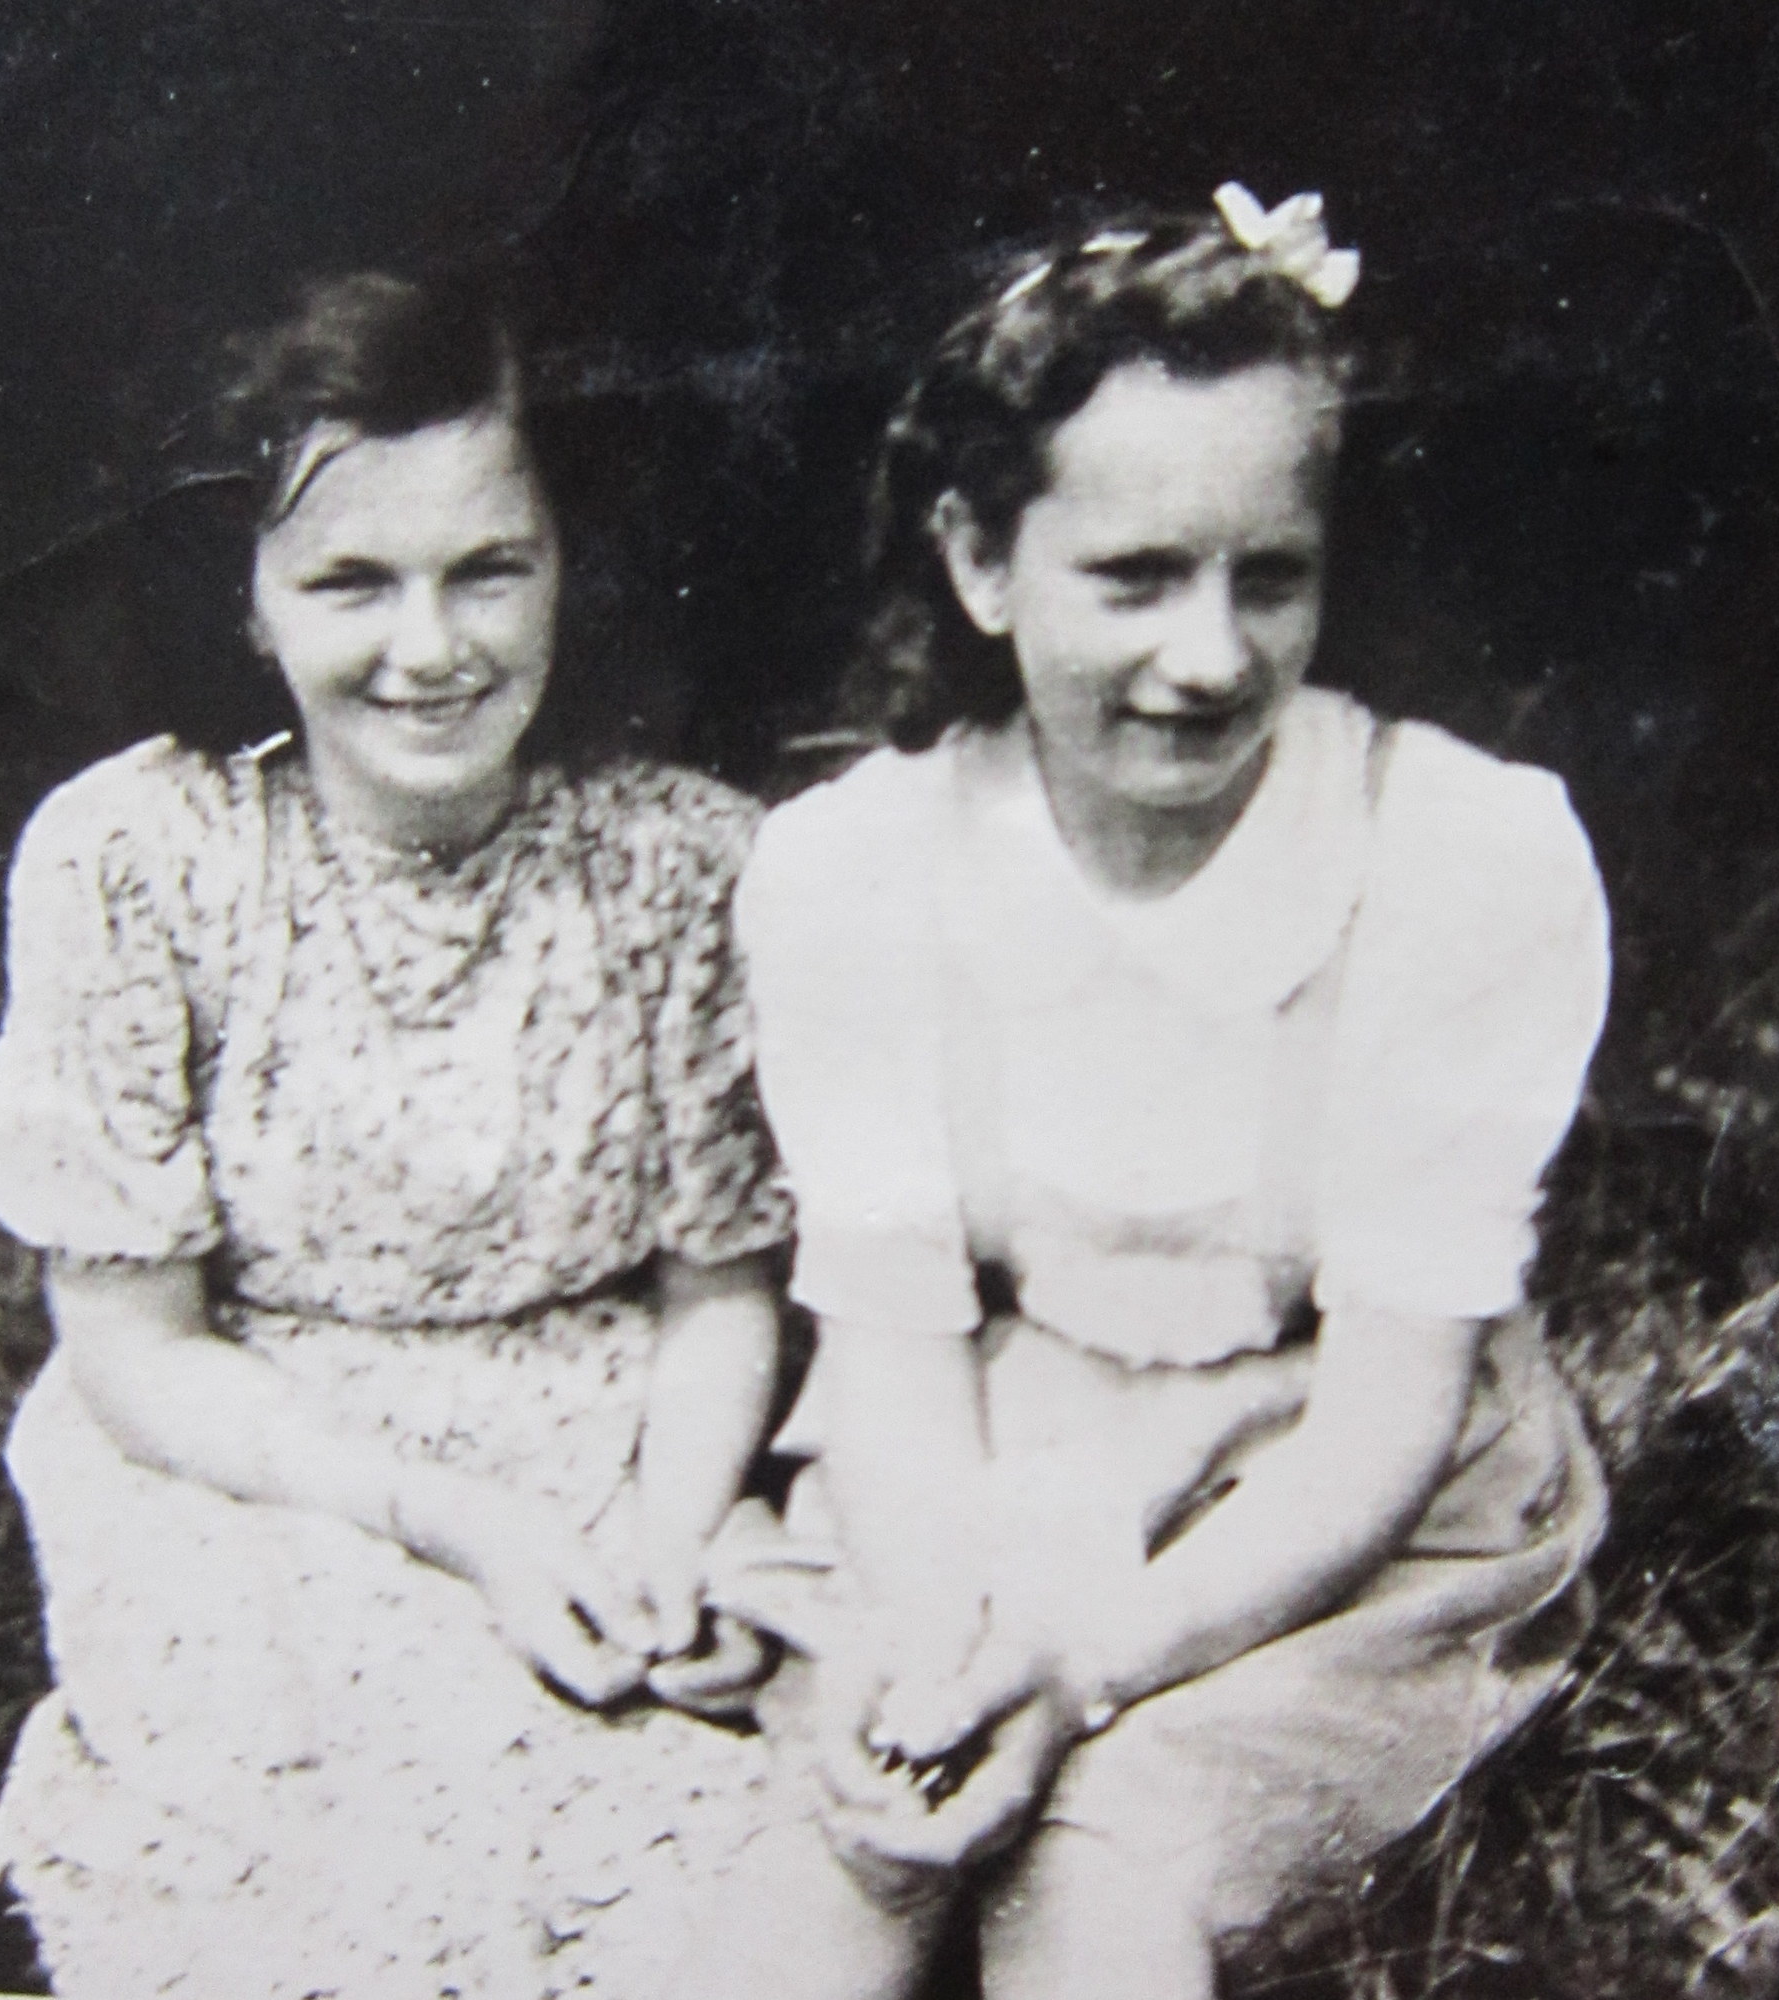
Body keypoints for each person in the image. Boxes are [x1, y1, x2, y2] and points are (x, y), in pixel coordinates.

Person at [684, 187, 1613, 1999]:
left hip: (1332, 1497)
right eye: (1134, 577)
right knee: (863, 1836)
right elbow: (895, 1355)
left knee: (1105, 1866)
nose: (1211, 656)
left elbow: (1387, 1413)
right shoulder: (857, 874)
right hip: (988, 1450)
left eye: (1270, 577)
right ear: (979, 560)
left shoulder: (1457, 859)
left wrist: (1088, 1662)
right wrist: (953, 1642)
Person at [0, 270, 794, 1999]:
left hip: (606, 1438)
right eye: (352, 582)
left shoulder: (684, 860)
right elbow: (134, 1344)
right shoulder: (139, 856)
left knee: (699, 1861)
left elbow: (722, 1286)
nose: (431, 650)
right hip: (253, 1455)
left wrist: (668, 1539)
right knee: (346, 1854)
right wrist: (447, 1521)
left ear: (572, 564)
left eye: (489, 568)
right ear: (247, 599)